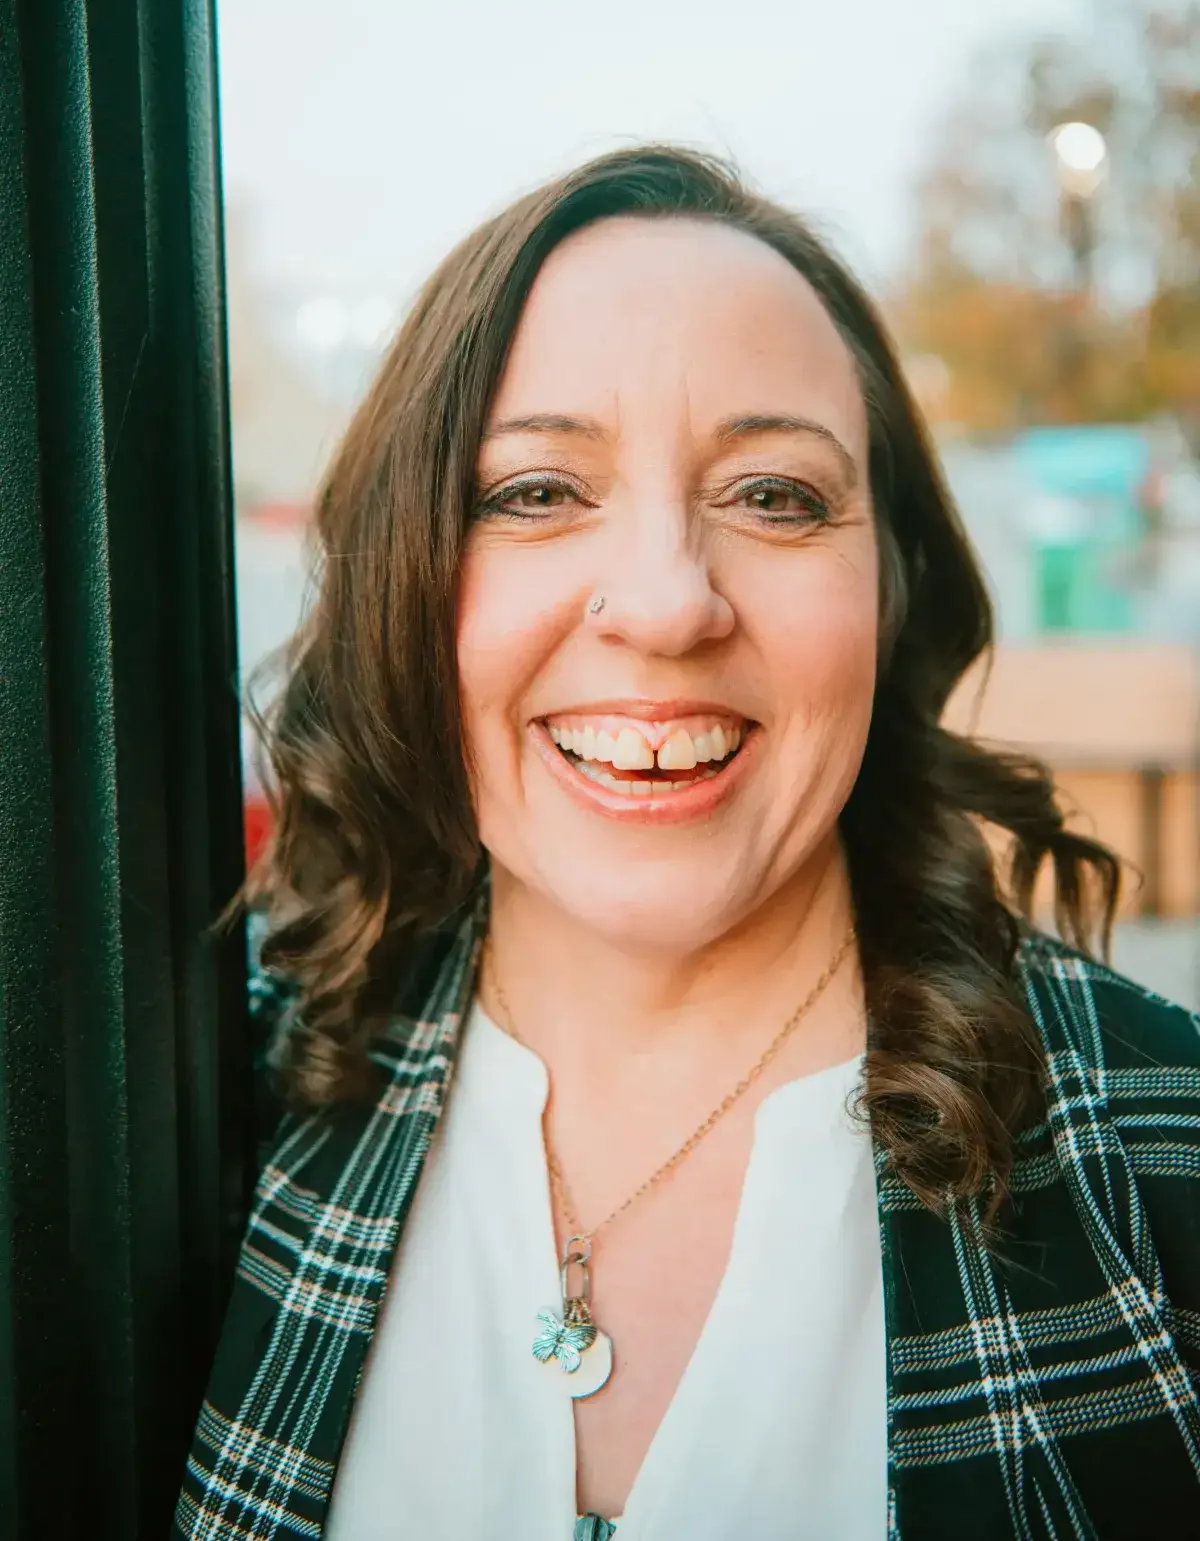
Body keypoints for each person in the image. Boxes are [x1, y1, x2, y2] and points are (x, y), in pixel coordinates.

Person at [174, 146, 1200, 1541]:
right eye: (535, 491)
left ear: (890, 592)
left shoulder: (1171, 1156)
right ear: (404, 586)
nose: (666, 605)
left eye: (775, 495)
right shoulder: (203, 1125)